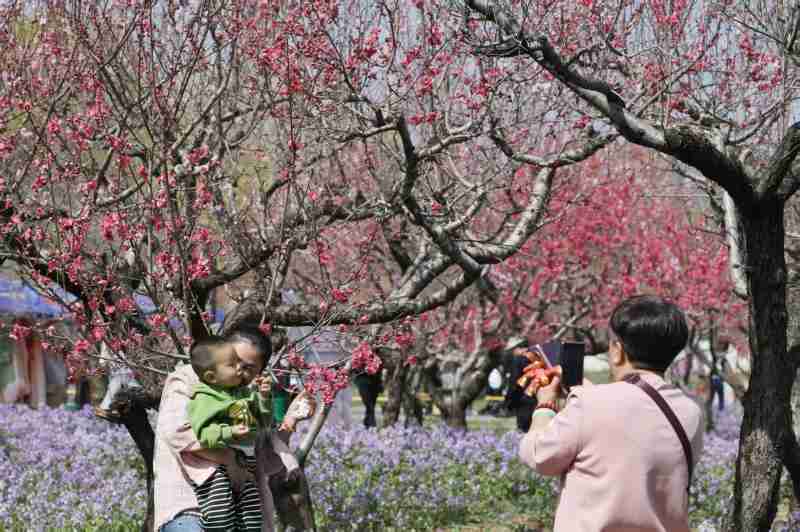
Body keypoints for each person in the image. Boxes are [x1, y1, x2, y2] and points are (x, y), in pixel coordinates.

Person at [519, 295, 703, 532]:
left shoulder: (590, 404)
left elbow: (540, 457)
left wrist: (545, 407)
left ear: (617, 350)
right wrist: (586, 395)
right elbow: (638, 426)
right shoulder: (691, 412)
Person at [154, 325, 302, 532]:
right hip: (190, 508)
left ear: (260, 371)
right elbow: (176, 433)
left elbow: (267, 463)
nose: (239, 370)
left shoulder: (249, 395)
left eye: (248, 368)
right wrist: (231, 459)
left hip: (241, 513)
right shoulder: (189, 379)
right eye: (233, 361)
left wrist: (290, 422)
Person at [186, 336, 280, 531]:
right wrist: (229, 432)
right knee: (220, 514)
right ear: (212, 376)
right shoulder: (205, 398)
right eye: (232, 364)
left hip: (248, 463)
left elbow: (264, 419)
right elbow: (204, 434)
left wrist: (263, 397)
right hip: (219, 466)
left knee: (252, 514)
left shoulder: (242, 392)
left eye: (243, 365)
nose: (240, 369)